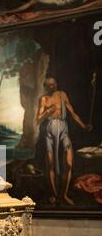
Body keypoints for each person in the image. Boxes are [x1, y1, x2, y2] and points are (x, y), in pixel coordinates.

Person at [36, 77, 91, 205]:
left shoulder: (62, 95)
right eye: (48, 85)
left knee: (68, 162)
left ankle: (64, 194)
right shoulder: (44, 99)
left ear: (56, 84)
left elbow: (73, 113)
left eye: (53, 84)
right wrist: (48, 112)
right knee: (50, 163)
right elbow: (38, 120)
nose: (51, 87)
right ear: (45, 87)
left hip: (63, 131)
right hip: (49, 132)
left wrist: (84, 126)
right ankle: (54, 195)